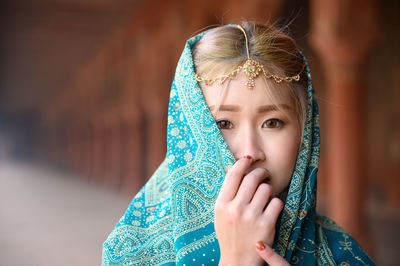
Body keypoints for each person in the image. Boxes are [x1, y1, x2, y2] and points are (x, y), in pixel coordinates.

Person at [102, 22, 374, 265]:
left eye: (272, 122)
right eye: (223, 124)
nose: (250, 152)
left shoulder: (345, 256)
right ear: (189, 130)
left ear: (305, 134)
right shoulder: (131, 253)